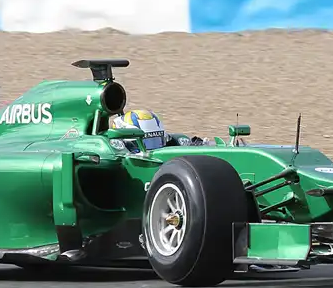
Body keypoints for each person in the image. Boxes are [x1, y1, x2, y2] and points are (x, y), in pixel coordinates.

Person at [110, 109, 295, 274]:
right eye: (146, 142)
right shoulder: (114, 153)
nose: (154, 148)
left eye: (157, 140)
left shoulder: (178, 144)